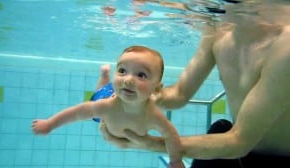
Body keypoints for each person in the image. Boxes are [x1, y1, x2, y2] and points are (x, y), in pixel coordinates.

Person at [100, 1, 290, 167]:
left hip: (277, 157)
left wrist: (148, 143)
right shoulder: (218, 32)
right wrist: (128, 95)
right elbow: (179, 95)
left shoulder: (285, 45)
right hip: (237, 150)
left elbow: (239, 141)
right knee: (220, 128)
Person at [31, 45, 185, 168]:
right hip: (105, 107)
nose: (128, 80)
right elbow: (76, 113)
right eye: (122, 71)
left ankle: (106, 77)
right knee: (101, 93)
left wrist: (175, 160)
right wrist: (50, 124)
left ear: (156, 88)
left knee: (107, 92)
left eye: (141, 75)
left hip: (117, 109)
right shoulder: (106, 106)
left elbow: (171, 135)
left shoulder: (154, 116)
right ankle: (104, 77)